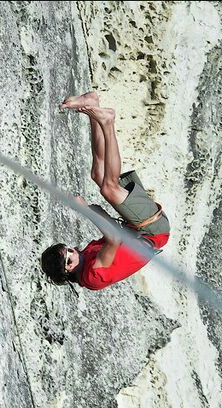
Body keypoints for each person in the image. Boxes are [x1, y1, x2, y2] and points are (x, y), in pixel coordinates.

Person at [40, 92, 170, 291]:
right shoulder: (92, 277)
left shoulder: (84, 256)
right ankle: (107, 123)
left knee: (97, 174)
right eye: (69, 254)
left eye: (66, 247)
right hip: (153, 230)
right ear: (68, 268)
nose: (72, 249)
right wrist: (84, 209)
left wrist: (86, 207)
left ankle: (93, 108)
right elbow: (114, 238)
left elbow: (102, 214)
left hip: (137, 226)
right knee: (109, 188)